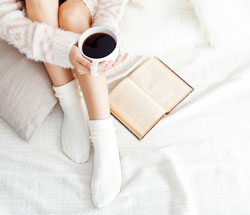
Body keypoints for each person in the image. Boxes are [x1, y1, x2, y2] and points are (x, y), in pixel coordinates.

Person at [0, 0, 128, 208]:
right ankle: (71, 104)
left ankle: (104, 135)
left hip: (84, 9)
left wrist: (107, 30)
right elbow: (6, 19)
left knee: (72, 14)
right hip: (38, 15)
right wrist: (62, 47)